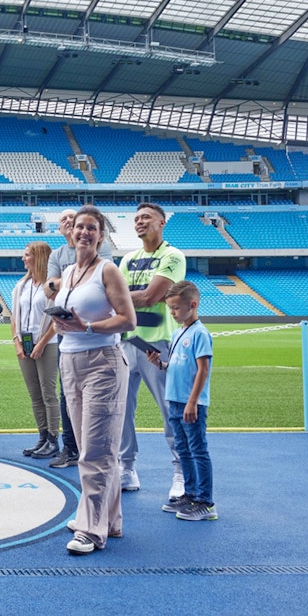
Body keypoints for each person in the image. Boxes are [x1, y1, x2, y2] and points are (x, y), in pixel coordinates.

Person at [51, 205, 137, 556]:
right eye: (79, 228)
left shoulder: (108, 270)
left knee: (95, 450)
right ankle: (109, 519)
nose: (84, 232)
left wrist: (86, 326)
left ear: (100, 236)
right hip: (69, 361)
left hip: (102, 362)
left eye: (91, 228)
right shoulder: (70, 271)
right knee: (92, 445)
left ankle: (90, 529)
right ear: (71, 234)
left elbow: (128, 320)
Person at [118, 202, 186, 499]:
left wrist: (119, 298)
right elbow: (119, 297)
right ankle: (126, 468)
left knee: (170, 411)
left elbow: (151, 296)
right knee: (121, 411)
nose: (139, 222)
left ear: (162, 223)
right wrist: (119, 298)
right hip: (127, 342)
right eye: (136, 219)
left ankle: (182, 472)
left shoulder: (172, 256)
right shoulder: (128, 258)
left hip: (158, 344)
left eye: (146, 217)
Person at [45, 208, 113, 469]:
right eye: (69, 223)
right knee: (68, 395)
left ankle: (98, 458)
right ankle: (71, 448)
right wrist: (59, 284)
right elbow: (48, 287)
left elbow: (59, 285)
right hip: (69, 341)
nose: (74, 226)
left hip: (98, 345)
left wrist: (60, 284)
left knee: (96, 409)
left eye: (83, 224)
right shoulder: (59, 256)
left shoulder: (102, 260)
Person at [152, 281, 217, 522]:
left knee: (197, 450)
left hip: (190, 402)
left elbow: (203, 370)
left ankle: (206, 502)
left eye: (176, 308)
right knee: (183, 449)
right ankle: (190, 494)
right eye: (170, 308)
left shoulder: (200, 333)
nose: (172, 313)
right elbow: (178, 366)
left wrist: (193, 402)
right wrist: (159, 364)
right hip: (175, 399)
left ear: (193, 305)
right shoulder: (178, 332)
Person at [12, 240, 60, 459]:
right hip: (25, 343)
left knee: (48, 393)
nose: (24, 258)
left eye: (27, 254)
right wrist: (17, 342)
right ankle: (42, 437)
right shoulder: (21, 285)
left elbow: (56, 319)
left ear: (39, 257)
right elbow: (15, 316)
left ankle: (53, 439)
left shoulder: (50, 287)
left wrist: (41, 344)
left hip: (47, 344)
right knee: (35, 394)